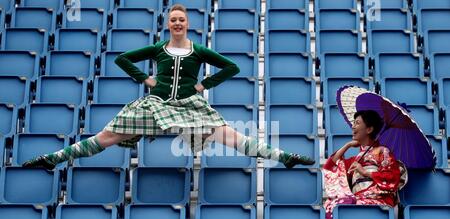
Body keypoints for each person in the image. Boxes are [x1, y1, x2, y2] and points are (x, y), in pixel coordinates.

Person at [23, 4, 314, 170]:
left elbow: (232, 67)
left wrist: (203, 85)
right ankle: (54, 158)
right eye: (173, 19)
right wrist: (145, 80)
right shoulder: (158, 48)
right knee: (108, 135)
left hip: (189, 107)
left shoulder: (198, 50)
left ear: (187, 24)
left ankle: (284, 157)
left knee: (233, 137)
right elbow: (123, 59)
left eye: (181, 20)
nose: (177, 23)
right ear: (168, 24)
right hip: (156, 105)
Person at [323, 110, 402, 219]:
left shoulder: (383, 151)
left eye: (357, 123)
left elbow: (392, 178)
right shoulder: (356, 159)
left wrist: (365, 172)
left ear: (369, 129)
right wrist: (347, 145)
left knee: (343, 208)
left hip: (377, 201)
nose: (353, 126)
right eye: (354, 123)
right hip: (357, 199)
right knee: (329, 206)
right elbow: (330, 166)